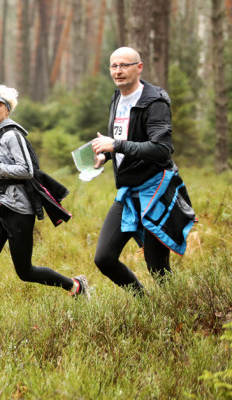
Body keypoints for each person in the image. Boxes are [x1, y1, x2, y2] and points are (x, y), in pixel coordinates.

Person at [0, 84, 88, 307]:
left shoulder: (13, 134)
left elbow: (27, 170)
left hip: (18, 212)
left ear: (7, 110)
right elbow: (4, 172)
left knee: (25, 272)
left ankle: (76, 286)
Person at [91, 47, 195, 293]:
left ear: (139, 67)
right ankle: (143, 301)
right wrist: (106, 155)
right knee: (104, 258)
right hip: (128, 191)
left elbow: (161, 149)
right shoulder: (117, 97)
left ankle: (175, 309)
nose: (119, 71)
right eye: (114, 66)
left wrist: (115, 145)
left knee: (156, 265)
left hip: (155, 190)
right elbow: (128, 139)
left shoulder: (154, 102)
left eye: (125, 65)